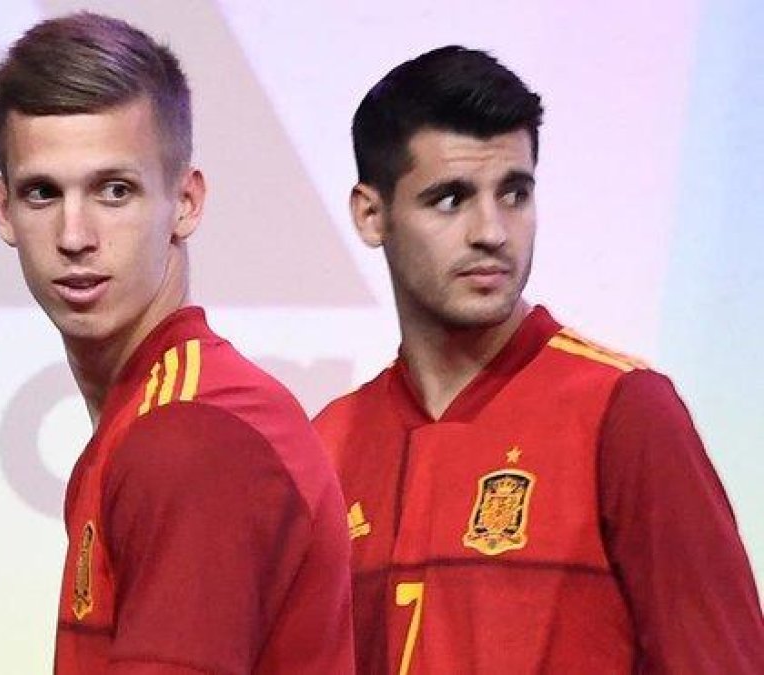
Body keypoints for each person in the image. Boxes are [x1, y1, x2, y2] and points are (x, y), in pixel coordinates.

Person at [314, 45, 764, 673]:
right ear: (371, 214)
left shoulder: (625, 410)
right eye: (450, 198)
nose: (492, 231)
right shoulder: (328, 444)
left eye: (515, 193)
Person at [0, 13, 354, 674]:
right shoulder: (149, 421)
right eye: (42, 193)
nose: (75, 235)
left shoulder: (190, 438)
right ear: (2, 210)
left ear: (185, 201)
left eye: (115, 190)